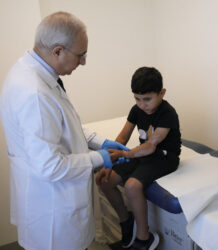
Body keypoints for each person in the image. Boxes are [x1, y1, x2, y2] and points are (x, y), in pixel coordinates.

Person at [0, 12, 128, 250]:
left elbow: (65, 126)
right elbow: (50, 166)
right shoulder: (35, 92)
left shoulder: (36, 72)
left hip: (49, 200)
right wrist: (98, 158)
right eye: (81, 55)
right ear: (58, 51)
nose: (84, 62)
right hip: (53, 212)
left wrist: (100, 142)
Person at [96, 67, 181, 250]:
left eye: (147, 99)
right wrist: (109, 161)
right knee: (104, 180)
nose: (142, 105)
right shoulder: (136, 110)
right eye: (137, 99)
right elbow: (122, 138)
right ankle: (126, 221)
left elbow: (151, 145)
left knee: (132, 186)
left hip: (164, 157)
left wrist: (125, 154)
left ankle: (144, 237)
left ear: (162, 93)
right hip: (142, 154)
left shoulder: (168, 113)